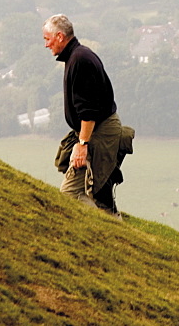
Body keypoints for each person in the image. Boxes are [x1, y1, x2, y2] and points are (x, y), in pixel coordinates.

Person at [43, 14, 133, 214]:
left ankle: (110, 227)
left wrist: (82, 145)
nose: (46, 44)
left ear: (59, 36)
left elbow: (88, 111)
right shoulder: (77, 56)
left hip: (98, 132)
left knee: (73, 192)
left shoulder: (79, 60)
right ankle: (109, 221)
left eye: (47, 39)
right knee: (95, 189)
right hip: (95, 130)